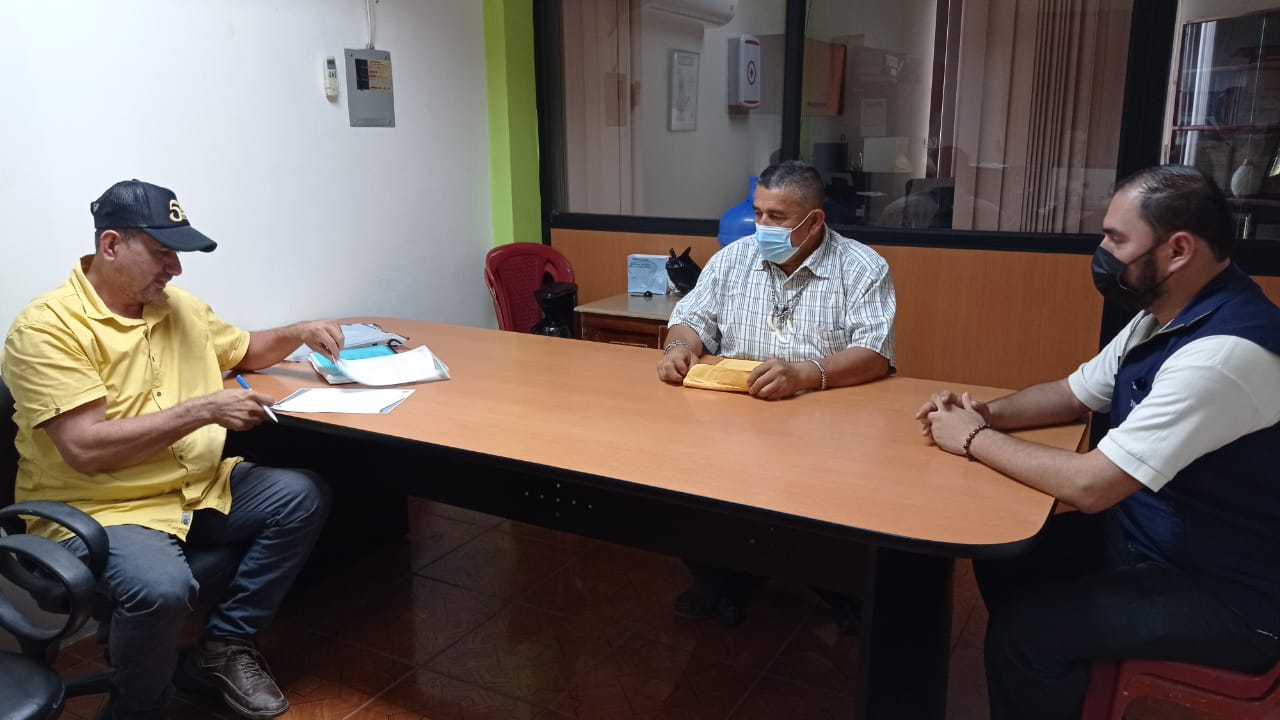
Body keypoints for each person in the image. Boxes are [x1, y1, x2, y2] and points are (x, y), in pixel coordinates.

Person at [916, 164, 1280, 719]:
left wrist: (972, 438)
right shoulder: (1164, 315)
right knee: (1008, 558)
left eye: (1116, 238)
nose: (1103, 252)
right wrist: (984, 412)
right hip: (1147, 541)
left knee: (1024, 634)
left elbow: (1092, 486)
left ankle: (1047, 659)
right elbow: (1073, 393)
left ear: (1178, 250)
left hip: (1230, 594)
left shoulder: (1223, 356)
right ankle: (1064, 678)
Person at [2, 179, 342, 720]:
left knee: (300, 496)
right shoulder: (47, 329)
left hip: (190, 487)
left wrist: (300, 331)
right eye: (162, 253)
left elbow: (246, 349)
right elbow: (86, 449)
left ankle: (223, 646)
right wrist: (203, 410)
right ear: (111, 245)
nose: (176, 269)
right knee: (160, 587)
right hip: (101, 508)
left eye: (178, 254)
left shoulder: (177, 308)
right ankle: (139, 708)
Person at [658, 160, 897, 628]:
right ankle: (724, 579)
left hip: (824, 429)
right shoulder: (733, 258)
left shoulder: (862, 267)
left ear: (814, 220)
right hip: (735, 425)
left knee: (829, 510)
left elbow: (874, 354)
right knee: (686, 485)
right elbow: (690, 319)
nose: (761, 226)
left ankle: (836, 586)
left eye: (777, 216)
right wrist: (678, 348)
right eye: (758, 212)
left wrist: (805, 375)